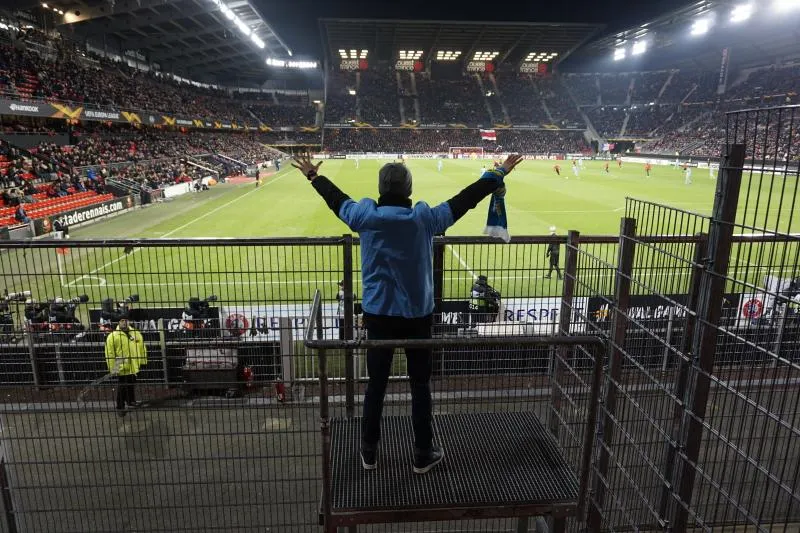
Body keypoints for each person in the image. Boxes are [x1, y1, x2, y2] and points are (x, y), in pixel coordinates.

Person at [292, 152, 523, 474]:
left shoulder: (363, 217)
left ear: (380, 187)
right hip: (417, 315)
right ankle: (421, 453)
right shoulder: (425, 219)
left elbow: (337, 199)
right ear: (409, 189)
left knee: (376, 384)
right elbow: (465, 199)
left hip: (378, 313)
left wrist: (313, 176)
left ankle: (369, 452)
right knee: (419, 385)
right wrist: (499, 172)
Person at [105, 317, 147, 417]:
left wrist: (142, 361)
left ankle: (131, 401)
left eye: (126, 320)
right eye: (122, 321)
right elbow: (109, 354)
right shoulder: (112, 336)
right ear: (118, 322)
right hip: (121, 365)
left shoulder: (136, 333)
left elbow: (142, 347)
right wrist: (114, 369)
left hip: (133, 363)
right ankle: (120, 406)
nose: (124, 322)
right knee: (122, 387)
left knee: (131, 383)